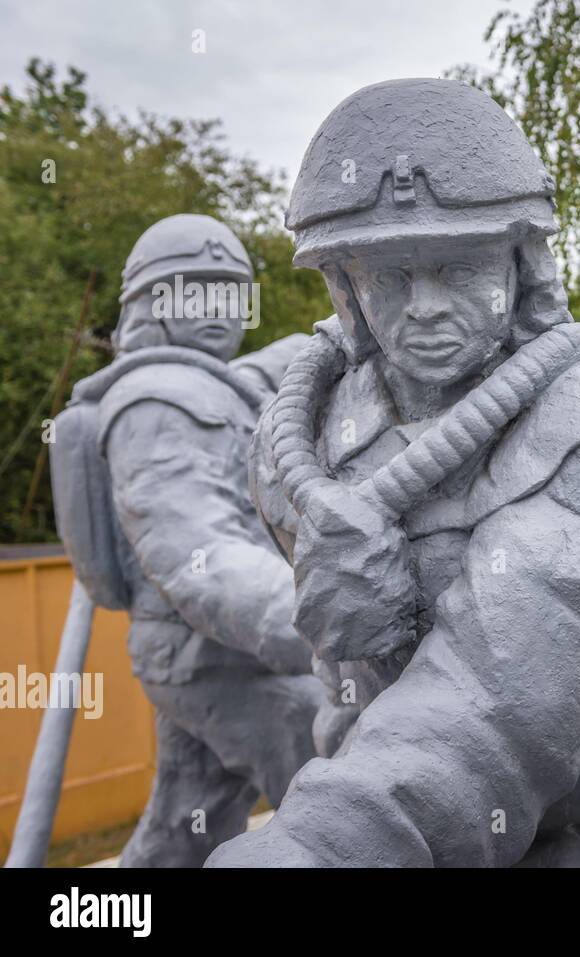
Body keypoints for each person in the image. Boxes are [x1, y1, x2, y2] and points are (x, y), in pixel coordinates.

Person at [208, 79, 580, 867]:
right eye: (393, 274)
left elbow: (500, 701)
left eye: (461, 266)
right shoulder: (303, 439)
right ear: (345, 287)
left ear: (521, 264)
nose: (428, 305)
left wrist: (324, 843)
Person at [52, 214, 323, 867]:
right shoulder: (155, 401)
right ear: (152, 304)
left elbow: (284, 364)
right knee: (338, 766)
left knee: (185, 823)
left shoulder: (209, 385)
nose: (218, 310)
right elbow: (194, 556)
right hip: (209, 650)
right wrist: (321, 619)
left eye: (231, 293)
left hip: (209, 649)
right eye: (196, 292)